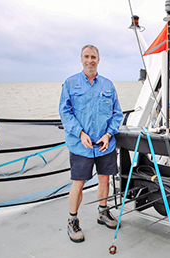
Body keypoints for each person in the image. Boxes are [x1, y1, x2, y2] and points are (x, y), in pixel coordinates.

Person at [59, 44, 123, 243]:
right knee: (78, 183)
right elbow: (65, 112)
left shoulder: (108, 85)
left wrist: (109, 135)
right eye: (86, 56)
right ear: (81, 59)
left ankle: (103, 212)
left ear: (98, 59)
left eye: (93, 57)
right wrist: (79, 133)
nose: (90, 60)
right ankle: (72, 220)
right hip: (81, 145)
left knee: (104, 180)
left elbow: (117, 113)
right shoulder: (70, 83)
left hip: (104, 144)